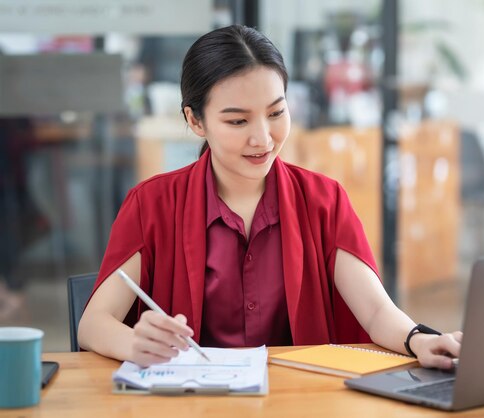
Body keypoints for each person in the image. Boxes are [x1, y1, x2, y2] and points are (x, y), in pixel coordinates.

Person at [78, 25, 462, 368]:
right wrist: (137, 343)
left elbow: (376, 311)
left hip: (300, 402)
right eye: (237, 121)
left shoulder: (323, 200)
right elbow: (93, 324)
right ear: (195, 120)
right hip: (191, 405)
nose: (262, 138)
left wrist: (419, 339)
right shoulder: (152, 204)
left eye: (276, 113)